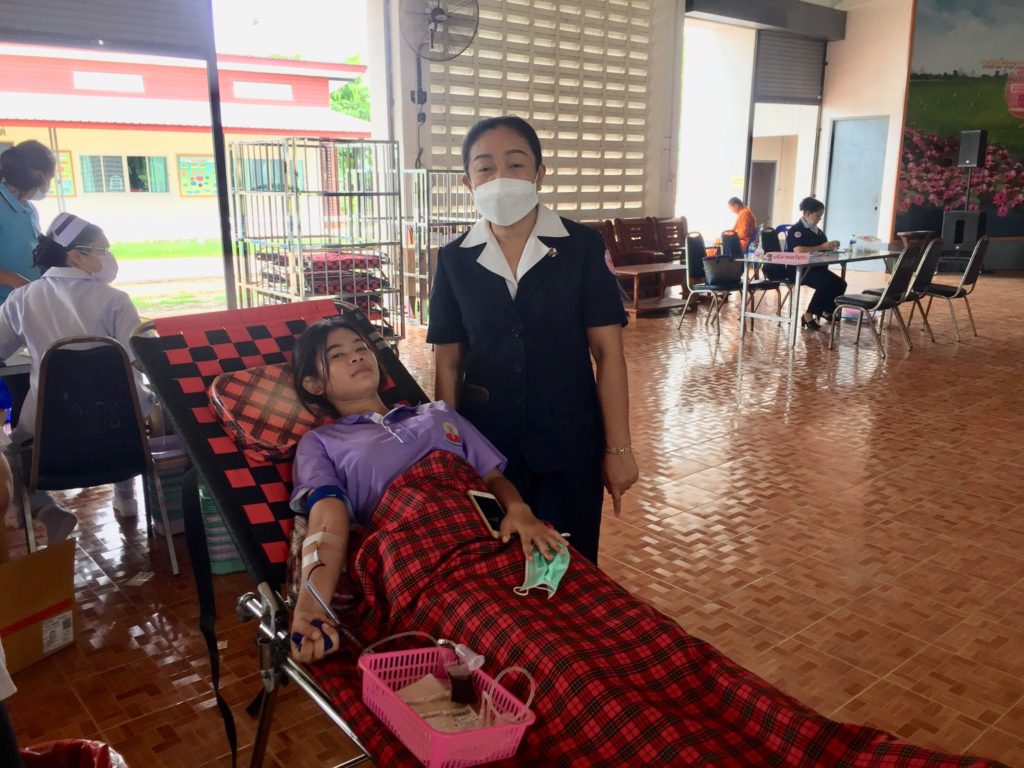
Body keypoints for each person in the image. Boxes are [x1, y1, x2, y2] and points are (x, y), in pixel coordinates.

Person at [288, 317, 568, 662]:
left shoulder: (437, 414)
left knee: (576, 599)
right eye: (337, 355)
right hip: (422, 560)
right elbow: (327, 522)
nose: (357, 356)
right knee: (530, 642)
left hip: (489, 537)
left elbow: (492, 478)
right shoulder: (321, 442)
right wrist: (310, 608)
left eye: (361, 348)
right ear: (314, 384)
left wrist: (521, 511)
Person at [426, 116, 638, 564]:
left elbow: (608, 354)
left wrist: (618, 449)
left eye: (516, 164)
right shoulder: (454, 259)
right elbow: (448, 362)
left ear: (539, 174)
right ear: (468, 182)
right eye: (485, 168)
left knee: (570, 566)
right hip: (488, 449)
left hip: (570, 443)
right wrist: (450, 451)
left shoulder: (581, 247)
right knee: (498, 569)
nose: (500, 177)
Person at [0, 213, 151, 543]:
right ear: (76, 256)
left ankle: (47, 510)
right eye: (102, 250)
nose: (108, 258)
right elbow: (144, 358)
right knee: (124, 405)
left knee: (10, 451)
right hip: (122, 434)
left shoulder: (22, 299)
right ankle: (127, 497)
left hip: (49, 434)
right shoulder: (115, 300)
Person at [0, 141, 56, 429]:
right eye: (50, 178)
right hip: (4, 315)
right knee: (20, 386)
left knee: (33, 386)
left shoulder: (29, 210)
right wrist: (14, 280)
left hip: (27, 312)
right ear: (38, 176)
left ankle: (29, 446)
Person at [764, 196, 847, 330]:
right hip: (798, 270)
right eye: (818, 215)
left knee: (840, 283)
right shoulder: (796, 230)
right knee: (825, 284)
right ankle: (808, 315)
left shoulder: (817, 231)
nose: (819, 218)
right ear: (807, 213)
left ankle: (825, 310)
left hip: (815, 268)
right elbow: (798, 250)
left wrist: (831, 246)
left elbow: (823, 247)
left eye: (821, 216)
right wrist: (822, 247)